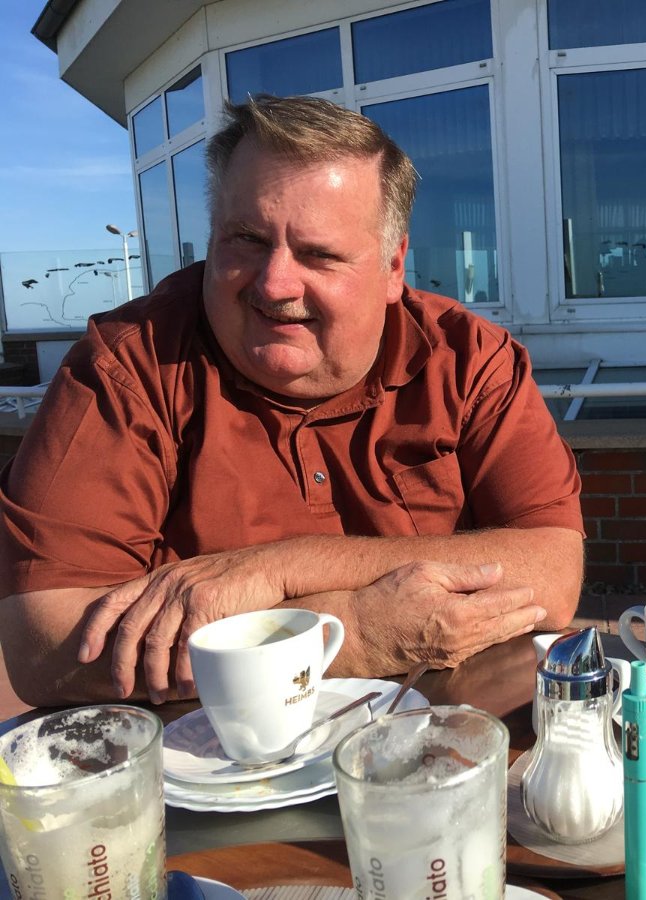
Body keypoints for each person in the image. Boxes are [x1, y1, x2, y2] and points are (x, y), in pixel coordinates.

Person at [0, 96, 584, 708]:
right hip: (208, 759)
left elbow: (552, 569)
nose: (275, 284)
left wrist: (279, 569)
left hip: (440, 747)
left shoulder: (468, 359)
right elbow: (44, 644)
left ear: (393, 267)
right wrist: (350, 631)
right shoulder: (128, 367)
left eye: (318, 254)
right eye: (246, 240)